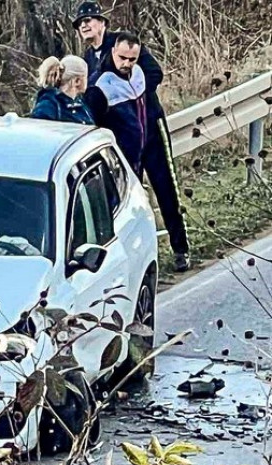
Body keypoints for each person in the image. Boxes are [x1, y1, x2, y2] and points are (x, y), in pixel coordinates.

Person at [73, 1, 191, 272]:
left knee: (165, 188)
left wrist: (131, 96)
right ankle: (138, 260)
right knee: (130, 200)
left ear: (102, 22)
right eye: (81, 23)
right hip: (124, 141)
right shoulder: (88, 61)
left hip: (150, 127)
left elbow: (154, 73)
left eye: (90, 19)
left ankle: (180, 248)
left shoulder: (125, 43)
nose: (85, 25)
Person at [85, 32, 148, 175]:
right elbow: (93, 127)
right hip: (115, 163)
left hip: (138, 157)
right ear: (113, 51)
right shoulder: (99, 85)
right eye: (122, 58)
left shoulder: (138, 73)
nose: (126, 63)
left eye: (132, 59)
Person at [30, 55, 95, 125]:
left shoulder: (80, 104)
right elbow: (38, 131)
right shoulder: (48, 105)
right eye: (85, 77)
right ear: (77, 81)